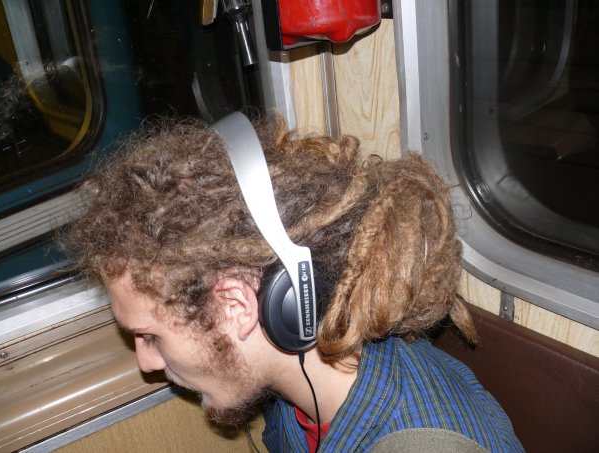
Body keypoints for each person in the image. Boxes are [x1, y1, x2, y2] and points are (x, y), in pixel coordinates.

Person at [63, 113, 524, 452]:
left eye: (150, 336)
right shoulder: (295, 392)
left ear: (236, 307)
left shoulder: (422, 445)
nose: (146, 362)